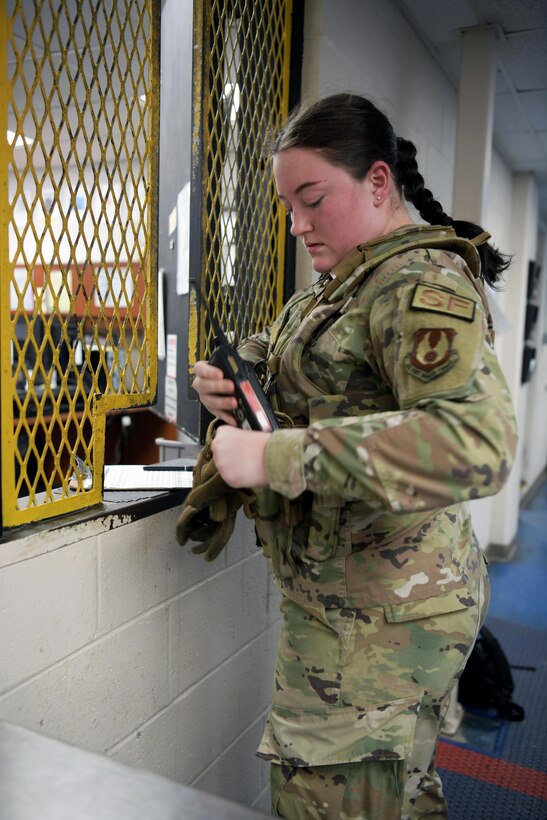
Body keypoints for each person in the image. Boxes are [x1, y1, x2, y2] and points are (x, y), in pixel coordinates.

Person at [188, 93, 517, 819]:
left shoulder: (418, 283)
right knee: (389, 797)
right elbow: (291, 353)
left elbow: (477, 443)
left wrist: (274, 457)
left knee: (334, 803)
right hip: (353, 606)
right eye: (288, 206)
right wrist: (234, 374)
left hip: (380, 624)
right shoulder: (348, 280)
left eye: (312, 200)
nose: (298, 224)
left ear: (375, 182)